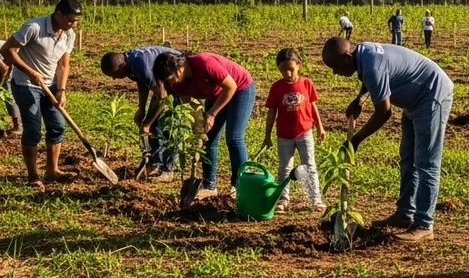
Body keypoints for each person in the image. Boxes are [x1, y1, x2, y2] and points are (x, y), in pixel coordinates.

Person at [322, 37, 453, 243]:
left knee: (426, 162)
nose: (335, 73)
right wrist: (359, 100)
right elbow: (372, 79)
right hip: (415, 99)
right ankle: (404, 214)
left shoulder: (372, 65)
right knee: (408, 159)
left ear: (347, 57)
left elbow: (384, 113)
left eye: (336, 67)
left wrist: (355, 141)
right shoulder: (363, 52)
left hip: (431, 95)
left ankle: (424, 225)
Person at [2, 0, 81, 189]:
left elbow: (63, 64)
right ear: (59, 14)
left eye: (77, 21)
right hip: (25, 84)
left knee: (57, 126)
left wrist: (62, 90)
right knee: (33, 129)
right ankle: (32, 176)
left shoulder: (69, 34)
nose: (74, 25)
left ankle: (52, 171)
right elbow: (7, 50)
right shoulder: (34, 27)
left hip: (51, 85)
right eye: (71, 20)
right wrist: (31, 72)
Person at [153, 51, 254, 194]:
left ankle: (241, 187)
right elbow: (192, 106)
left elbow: (231, 87)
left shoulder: (204, 64)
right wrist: (199, 126)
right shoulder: (176, 84)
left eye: (172, 77)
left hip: (240, 88)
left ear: (179, 67)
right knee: (208, 139)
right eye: (168, 81)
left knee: (234, 137)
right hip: (215, 93)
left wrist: (212, 113)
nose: (172, 82)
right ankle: (209, 185)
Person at [100, 46, 181, 180]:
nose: (114, 78)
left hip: (179, 82)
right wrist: (141, 108)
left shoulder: (140, 63)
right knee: (154, 125)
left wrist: (147, 123)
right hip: (164, 85)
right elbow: (143, 82)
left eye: (114, 74)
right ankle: (155, 163)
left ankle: (168, 169)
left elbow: (163, 97)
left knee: (170, 125)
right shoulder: (131, 61)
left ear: (122, 66)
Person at [261, 48, 325, 213]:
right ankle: (283, 199)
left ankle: (316, 199)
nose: (288, 73)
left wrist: (320, 127)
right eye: (283, 70)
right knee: (284, 168)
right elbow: (271, 112)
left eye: (291, 69)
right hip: (284, 135)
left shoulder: (306, 83)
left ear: (299, 66)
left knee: (309, 165)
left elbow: (312, 105)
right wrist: (267, 135)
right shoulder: (276, 87)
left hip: (305, 132)